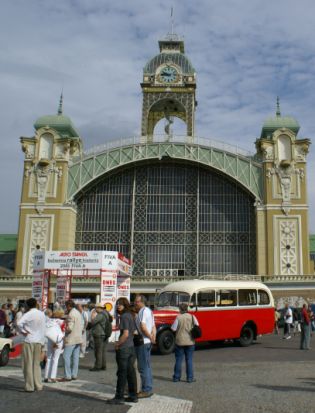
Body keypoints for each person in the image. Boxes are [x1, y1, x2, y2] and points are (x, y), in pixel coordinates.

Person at [108, 298, 137, 405]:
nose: (118, 306)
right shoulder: (131, 315)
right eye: (117, 304)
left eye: (120, 304)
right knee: (130, 372)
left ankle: (119, 397)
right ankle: (133, 396)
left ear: (125, 305)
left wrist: (117, 344)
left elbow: (125, 334)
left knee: (122, 373)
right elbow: (133, 332)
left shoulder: (124, 316)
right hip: (131, 347)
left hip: (124, 348)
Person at [17, 297, 46, 392]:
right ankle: (38, 384)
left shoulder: (28, 314)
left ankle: (30, 386)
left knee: (28, 364)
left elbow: (18, 323)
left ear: (27, 305)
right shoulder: (42, 314)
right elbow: (43, 328)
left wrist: (23, 331)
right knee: (36, 364)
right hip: (39, 341)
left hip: (29, 340)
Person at [134, 294, 156, 398]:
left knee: (143, 367)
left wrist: (149, 336)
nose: (135, 303)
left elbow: (143, 326)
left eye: (136, 301)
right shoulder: (150, 311)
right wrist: (153, 337)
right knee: (147, 366)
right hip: (148, 341)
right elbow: (153, 326)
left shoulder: (142, 311)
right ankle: (149, 387)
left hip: (143, 341)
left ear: (141, 302)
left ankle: (146, 389)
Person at [171, 302, 198, 383]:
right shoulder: (192, 317)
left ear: (180, 309)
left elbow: (173, 329)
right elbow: (197, 325)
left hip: (179, 341)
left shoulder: (178, 317)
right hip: (190, 341)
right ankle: (190, 378)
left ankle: (176, 377)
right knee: (189, 360)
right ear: (187, 309)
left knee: (178, 359)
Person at [60, 300, 83, 381]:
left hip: (71, 338)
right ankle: (74, 374)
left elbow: (70, 328)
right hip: (78, 338)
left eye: (66, 306)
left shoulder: (71, 314)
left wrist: (63, 330)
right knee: (75, 357)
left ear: (68, 306)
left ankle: (68, 375)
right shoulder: (78, 313)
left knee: (65, 356)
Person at [44, 309, 65, 382]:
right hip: (58, 341)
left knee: (49, 358)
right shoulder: (61, 321)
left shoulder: (49, 321)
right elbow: (64, 330)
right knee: (55, 359)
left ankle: (46, 376)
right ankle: (52, 377)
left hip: (49, 340)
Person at [89, 303, 110, 371]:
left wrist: (92, 317)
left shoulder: (100, 315)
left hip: (99, 334)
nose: (95, 309)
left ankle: (97, 366)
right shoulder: (106, 313)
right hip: (105, 334)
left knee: (98, 351)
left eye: (96, 308)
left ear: (99, 308)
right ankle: (103, 365)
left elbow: (93, 322)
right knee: (103, 351)